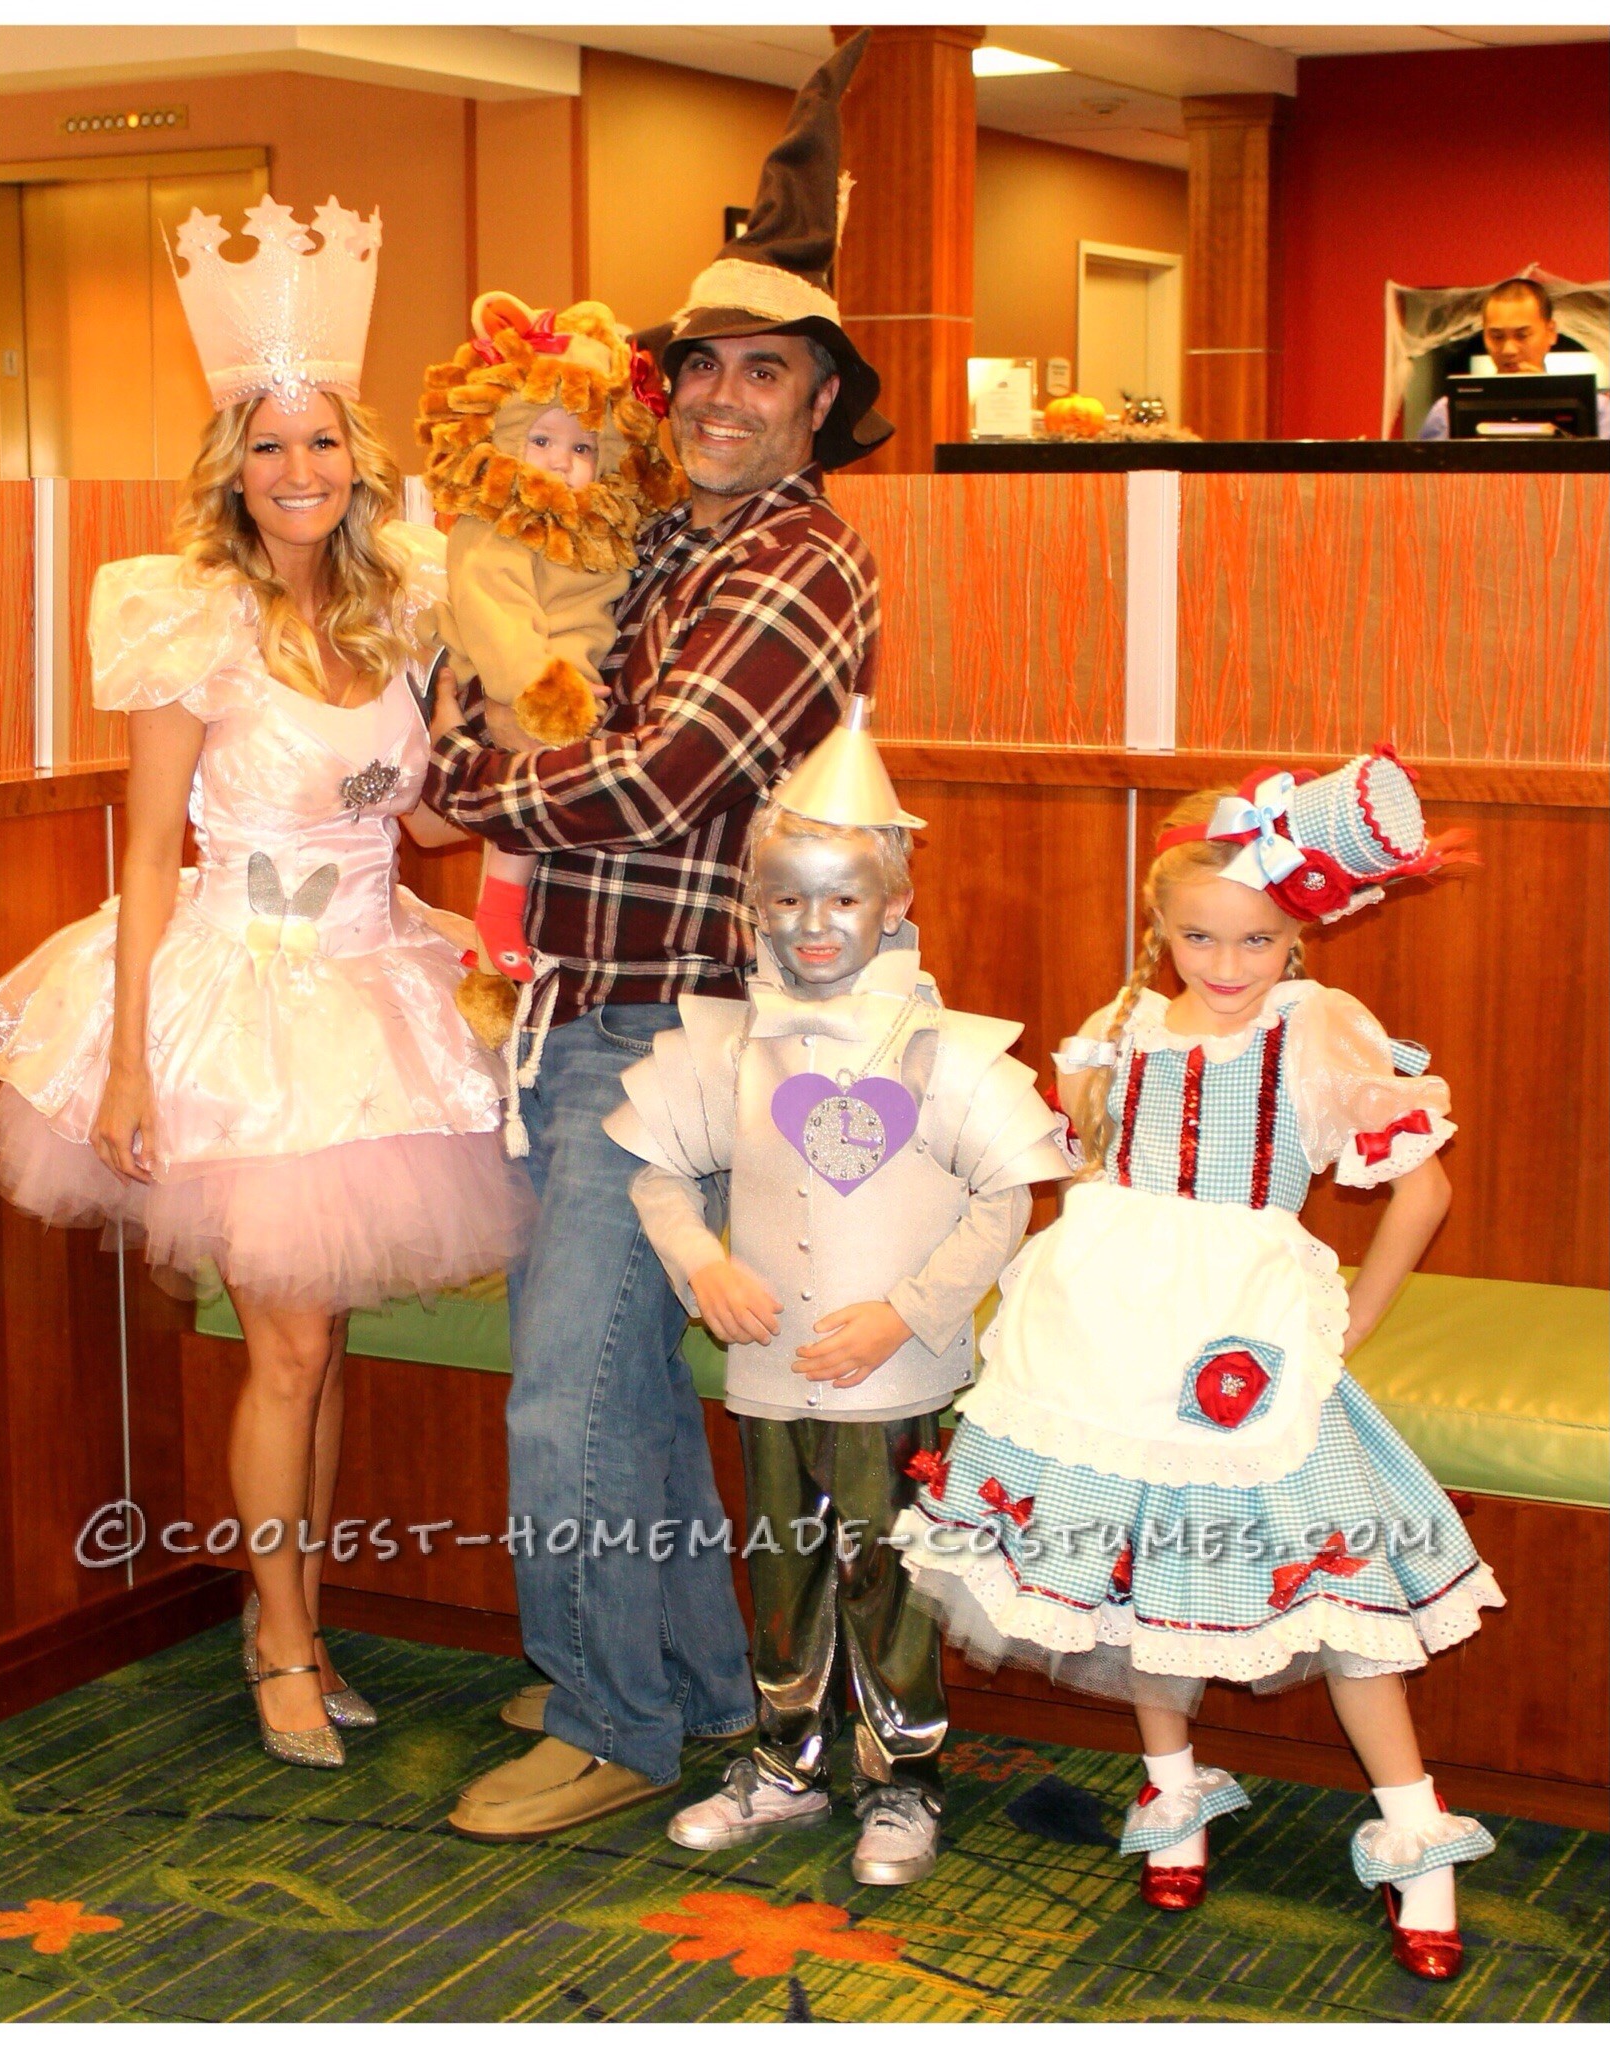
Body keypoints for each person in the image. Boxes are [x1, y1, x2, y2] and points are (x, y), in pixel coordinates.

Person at [0, 196, 533, 1770]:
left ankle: (292, 1616)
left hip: (370, 985)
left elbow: (418, 818)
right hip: (243, 995)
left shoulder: (400, 608)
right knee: (286, 1344)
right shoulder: (185, 616)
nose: (299, 474)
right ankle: (280, 1636)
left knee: (321, 1339)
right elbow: (149, 850)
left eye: (322, 446)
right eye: (268, 448)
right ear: (233, 463)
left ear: (360, 460)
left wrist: (525, 756)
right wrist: (131, 1059)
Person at [423, 34, 898, 1843]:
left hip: (673, 1033)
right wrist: (493, 746)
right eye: (695, 366)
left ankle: (612, 1721)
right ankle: (682, 1679)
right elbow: (504, 692)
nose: (715, 396)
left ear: (816, 402)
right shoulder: (654, 546)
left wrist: (481, 778)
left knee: (565, 1399)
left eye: (760, 372)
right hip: (574, 1012)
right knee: (608, 1390)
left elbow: (655, 775)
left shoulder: (798, 560)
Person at [895, 751, 1505, 1981]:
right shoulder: (1118, 1025)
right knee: (1137, 1570)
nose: (1227, 966)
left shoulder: (1315, 1031)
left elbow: (1420, 1188)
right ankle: (1170, 1784)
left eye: (1259, 941)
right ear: (1160, 927)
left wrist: (1350, 1319)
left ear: (1299, 939)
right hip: (1103, 1327)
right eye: (1200, 938)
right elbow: (1081, 1167)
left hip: (1245, 1337)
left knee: (1342, 1597)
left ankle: (1415, 1831)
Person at [604, 714, 1074, 1885]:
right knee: (783, 1569)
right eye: (786, 902)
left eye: (842, 901)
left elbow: (1006, 1197)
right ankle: (787, 1760)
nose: (813, 929)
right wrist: (704, 1264)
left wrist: (907, 1310)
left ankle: (903, 1781)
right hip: (770, 1376)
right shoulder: (728, 1048)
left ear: (893, 909)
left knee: (891, 1577)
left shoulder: (943, 1053)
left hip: (895, 1382)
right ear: (752, 909)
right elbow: (658, 1170)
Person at [414, 291, 684, 1048]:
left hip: (568, 682)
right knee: (523, 808)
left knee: (538, 812)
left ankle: (495, 953)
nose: (564, 462)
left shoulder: (594, 525)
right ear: (503, 441)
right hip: (516, 679)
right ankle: (494, 942)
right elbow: (493, 609)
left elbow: (603, 609)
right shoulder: (494, 523)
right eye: (541, 441)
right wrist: (534, 684)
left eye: (582, 447)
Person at [1418, 276, 1610, 438]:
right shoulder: (1446, 413)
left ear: (1550, 332)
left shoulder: (1598, 411)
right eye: (1497, 336)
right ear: (1484, 335)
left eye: (1522, 335)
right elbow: (1426, 480)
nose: (1508, 349)